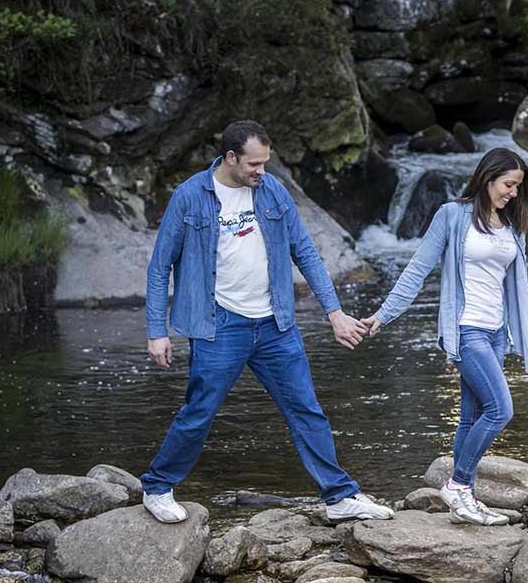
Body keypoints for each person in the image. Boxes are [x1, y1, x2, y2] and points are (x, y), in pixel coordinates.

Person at [141, 119, 394, 523]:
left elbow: (306, 252)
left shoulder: (272, 190)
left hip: (275, 324)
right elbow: (159, 268)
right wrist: (157, 331)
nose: (262, 171)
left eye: (265, 163)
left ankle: (339, 497)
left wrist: (334, 313)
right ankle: (157, 487)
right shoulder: (190, 196)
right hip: (219, 325)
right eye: (254, 164)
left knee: (306, 409)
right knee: (199, 411)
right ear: (230, 158)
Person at [363, 147, 528, 526]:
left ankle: (464, 501)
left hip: (496, 333)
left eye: (518, 187)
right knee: (501, 410)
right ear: (487, 177)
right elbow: (417, 269)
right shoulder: (452, 216)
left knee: (472, 415)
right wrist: (384, 314)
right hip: (466, 330)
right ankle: (459, 485)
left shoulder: (512, 227)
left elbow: (520, 289)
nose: (513, 192)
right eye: (508, 184)